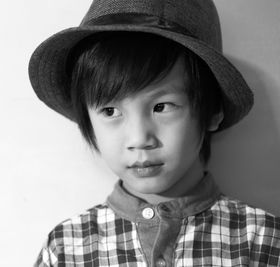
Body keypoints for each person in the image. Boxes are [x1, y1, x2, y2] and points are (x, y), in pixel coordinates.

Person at [28, 0, 280, 266]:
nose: (139, 139)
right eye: (110, 111)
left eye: (161, 107)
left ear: (212, 111)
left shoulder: (261, 240)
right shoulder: (67, 248)